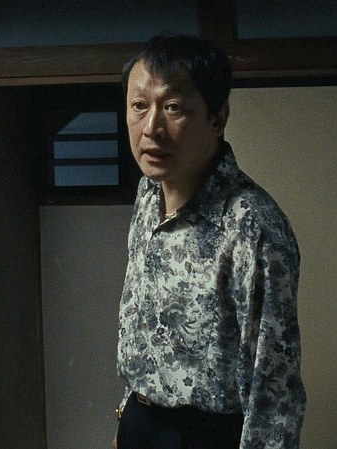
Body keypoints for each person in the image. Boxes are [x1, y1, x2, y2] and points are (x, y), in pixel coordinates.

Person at [113, 34, 306, 449]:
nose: (151, 128)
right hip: (139, 421)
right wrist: (127, 416)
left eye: (173, 107)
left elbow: (274, 387)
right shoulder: (148, 192)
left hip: (205, 435)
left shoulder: (253, 224)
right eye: (139, 105)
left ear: (217, 119)